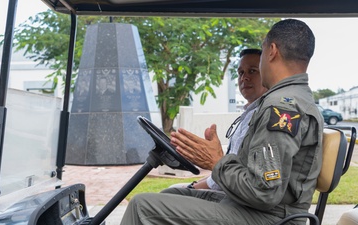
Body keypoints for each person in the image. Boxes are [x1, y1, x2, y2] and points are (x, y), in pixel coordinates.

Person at [120, 19, 324, 225]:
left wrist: (216, 161)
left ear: (271, 51)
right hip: (252, 208)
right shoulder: (288, 99)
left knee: (141, 206)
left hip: (269, 218)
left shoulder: (281, 107)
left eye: (262, 53)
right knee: (168, 195)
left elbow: (264, 192)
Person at [170, 48, 267, 190]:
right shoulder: (246, 116)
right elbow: (224, 171)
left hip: (233, 199)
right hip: (223, 188)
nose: (244, 78)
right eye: (241, 73)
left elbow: (236, 177)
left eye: (252, 71)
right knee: (172, 190)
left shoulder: (264, 116)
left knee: (143, 203)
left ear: (266, 74)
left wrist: (195, 187)